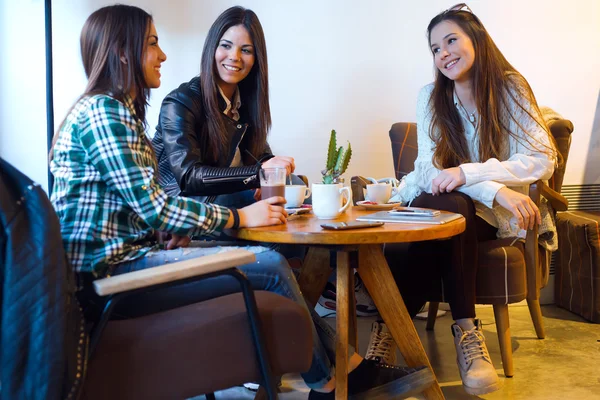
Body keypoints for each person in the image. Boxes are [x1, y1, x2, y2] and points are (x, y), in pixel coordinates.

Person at [49, 5, 433, 399]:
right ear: (123, 53)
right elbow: (163, 198)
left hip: (132, 259)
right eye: (152, 43)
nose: (162, 54)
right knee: (269, 265)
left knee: (271, 261)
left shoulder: (117, 111)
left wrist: (170, 227)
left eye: (246, 50)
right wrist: (232, 216)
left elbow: (134, 207)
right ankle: (333, 379)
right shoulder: (110, 112)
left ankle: (334, 373)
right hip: (113, 279)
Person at [364, 3, 559, 396]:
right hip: (453, 205)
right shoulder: (430, 97)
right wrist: (492, 186)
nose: (444, 53)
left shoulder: (509, 87)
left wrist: (469, 176)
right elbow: (431, 171)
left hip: (498, 216)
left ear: (478, 39)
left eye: (451, 40)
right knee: (444, 209)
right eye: (435, 48)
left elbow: (542, 158)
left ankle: (388, 334)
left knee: (446, 212)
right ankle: (467, 332)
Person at [151, 6, 296, 209]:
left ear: (256, 60)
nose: (235, 56)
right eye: (226, 46)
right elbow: (188, 177)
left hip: (232, 198)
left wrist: (272, 172)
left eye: (245, 50)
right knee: (260, 203)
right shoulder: (179, 102)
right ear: (212, 48)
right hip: (188, 206)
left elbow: (260, 156)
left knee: (296, 186)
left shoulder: (245, 102)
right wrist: (258, 175)